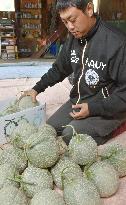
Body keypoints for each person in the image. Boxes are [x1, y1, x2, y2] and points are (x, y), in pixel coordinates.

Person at [22, 0, 126, 145]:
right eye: (65, 22)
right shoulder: (74, 38)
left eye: (73, 19)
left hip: (108, 107)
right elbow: (59, 69)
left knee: (69, 135)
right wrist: (36, 88)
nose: (70, 27)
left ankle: (117, 126)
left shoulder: (117, 43)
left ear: (89, 9)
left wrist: (92, 108)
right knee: (50, 129)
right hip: (79, 100)